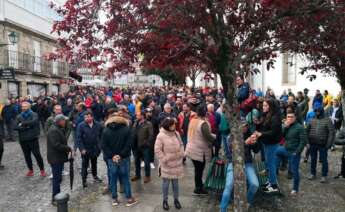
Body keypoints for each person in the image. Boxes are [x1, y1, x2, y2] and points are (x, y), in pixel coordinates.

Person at [220, 122, 259, 211]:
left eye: (246, 126)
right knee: (229, 185)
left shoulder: (249, 135)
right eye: (242, 126)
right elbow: (233, 152)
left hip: (247, 163)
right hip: (234, 163)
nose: (244, 128)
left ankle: (246, 202)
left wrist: (255, 143)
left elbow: (256, 151)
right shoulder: (231, 137)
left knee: (255, 184)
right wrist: (245, 143)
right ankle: (222, 209)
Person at [101, 112, 138, 207]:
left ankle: (114, 199)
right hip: (124, 158)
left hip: (111, 159)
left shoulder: (106, 130)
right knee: (125, 178)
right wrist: (121, 155)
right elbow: (129, 144)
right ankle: (129, 198)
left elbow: (104, 146)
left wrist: (112, 156)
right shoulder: (126, 129)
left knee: (113, 179)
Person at [185, 105, 216, 195]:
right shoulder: (203, 124)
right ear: (205, 113)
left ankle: (199, 185)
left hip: (191, 148)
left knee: (197, 169)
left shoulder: (193, 121)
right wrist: (215, 137)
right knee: (199, 169)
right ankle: (198, 188)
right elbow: (208, 136)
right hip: (199, 150)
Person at [155, 117, 184, 211]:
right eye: (172, 124)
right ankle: (165, 201)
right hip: (167, 164)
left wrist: (181, 154)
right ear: (168, 126)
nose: (174, 126)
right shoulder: (161, 135)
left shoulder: (176, 133)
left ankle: (176, 200)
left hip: (177, 163)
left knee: (176, 183)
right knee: (166, 184)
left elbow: (181, 144)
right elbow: (157, 150)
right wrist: (164, 159)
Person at [276, 110, 307, 195]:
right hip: (285, 149)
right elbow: (281, 136)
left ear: (295, 118)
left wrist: (297, 152)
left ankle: (295, 189)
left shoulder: (300, 127)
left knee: (294, 171)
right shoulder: (287, 126)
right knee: (275, 152)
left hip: (294, 152)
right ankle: (273, 174)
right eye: (288, 117)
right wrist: (285, 127)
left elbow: (303, 141)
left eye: (291, 117)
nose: (289, 118)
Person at [254, 99, 282, 193]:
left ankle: (273, 185)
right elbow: (264, 127)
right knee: (268, 163)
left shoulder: (275, 117)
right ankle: (270, 181)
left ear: (271, 107)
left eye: (266, 106)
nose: (263, 107)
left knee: (271, 164)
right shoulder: (267, 115)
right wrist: (258, 124)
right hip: (267, 143)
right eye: (263, 106)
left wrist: (261, 134)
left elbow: (274, 132)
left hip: (272, 144)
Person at [14, 101, 47, 177]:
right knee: (27, 156)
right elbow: (15, 127)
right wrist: (26, 127)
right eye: (22, 106)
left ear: (29, 107)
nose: (23, 108)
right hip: (23, 139)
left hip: (33, 138)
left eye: (25, 106)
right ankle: (30, 170)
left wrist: (22, 124)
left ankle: (42, 170)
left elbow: (34, 122)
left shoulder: (34, 114)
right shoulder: (19, 116)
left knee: (37, 155)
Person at [47, 114, 72, 205]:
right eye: (64, 120)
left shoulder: (57, 128)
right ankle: (55, 198)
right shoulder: (54, 130)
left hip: (58, 158)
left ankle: (57, 196)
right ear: (60, 121)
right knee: (56, 179)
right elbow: (56, 145)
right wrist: (68, 148)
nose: (65, 122)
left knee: (58, 178)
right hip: (55, 158)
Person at [307, 105, 335, 183]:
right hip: (313, 143)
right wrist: (307, 142)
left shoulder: (327, 120)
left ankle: (324, 175)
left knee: (323, 160)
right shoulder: (312, 120)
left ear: (322, 111)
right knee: (313, 159)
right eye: (316, 111)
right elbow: (306, 131)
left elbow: (331, 133)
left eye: (318, 111)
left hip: (323, 144)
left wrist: (328, 144)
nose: (317, 112)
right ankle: (313, 173)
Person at [76, 111, 103, 188]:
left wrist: (99, 146)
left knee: (94, 163)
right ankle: (84, 180)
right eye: (85, 117)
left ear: (92, 117)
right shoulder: (81, 126)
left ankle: (95, 176)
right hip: (85, 149)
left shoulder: (98, 125)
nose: (87, 118)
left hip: (95, 149)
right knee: (85, 164)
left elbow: (101, 135)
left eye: (88, 117)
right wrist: (82, 149)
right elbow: (78, 138)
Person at [132, 111, 154, 183]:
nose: (136, 116)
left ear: (142, 116)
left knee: (147, 162)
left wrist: (147, 143)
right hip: (136, 146)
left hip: (145, 147)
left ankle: (147, 176)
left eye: (138, 115)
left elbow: (151, 135)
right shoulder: (135, 123)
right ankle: (137, 175)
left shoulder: (148, 124)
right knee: (137, 161)